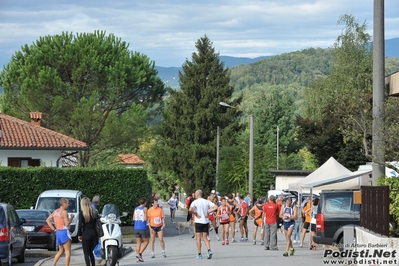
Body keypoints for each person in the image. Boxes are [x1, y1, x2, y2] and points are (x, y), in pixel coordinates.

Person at [46, 197, 75, 266]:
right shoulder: (64, 212)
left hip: (58, 232)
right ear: (63, 203)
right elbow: (67, 224)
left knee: (61, 251)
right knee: (67, 252)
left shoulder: (55, 211)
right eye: (68, 203)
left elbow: (48, 220)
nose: (69, 204)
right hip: (64, 232)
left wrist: (53, 228)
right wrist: (71, 218)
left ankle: (53, 264)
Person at [189, 190, 217, 259]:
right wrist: (209, 211)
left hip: (198, 221)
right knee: (205, 237)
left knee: (198, 238)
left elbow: (190, 209)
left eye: (195, 194)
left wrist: (195, 213)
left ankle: (199, 254)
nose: (194, 195)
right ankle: (209, 250)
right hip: (205, 221)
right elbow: (216, 207)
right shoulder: (206, 201)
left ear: (197, 195)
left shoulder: (195, 202)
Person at [78, 197, 98, 266]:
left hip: (86, 234)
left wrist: (79, 235)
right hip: (93, 233)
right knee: (90, 252)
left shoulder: (82, 213)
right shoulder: (93, 212)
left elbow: (80, 225)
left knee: (86, 253)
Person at [133, 197, 149, 263]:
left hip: (136, 227)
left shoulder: (136, 208)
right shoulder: (145, 208)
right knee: (146, 242)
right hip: (142, 227)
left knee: (138, 242)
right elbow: (145, 219)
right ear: (145, 202)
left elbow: (134, 218)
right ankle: (139, 254)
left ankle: (138, 257)